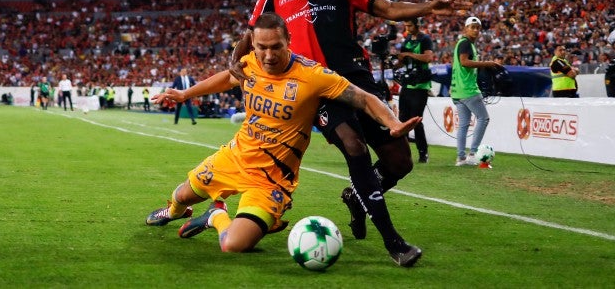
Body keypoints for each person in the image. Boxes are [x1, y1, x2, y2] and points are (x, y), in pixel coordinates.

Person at [230, 0, 469, 266]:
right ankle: (393, 242)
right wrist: (233, 61)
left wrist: (428, 7)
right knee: (354, 146)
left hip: (358, 81)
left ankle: (358, 200)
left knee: (400, 162)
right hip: (316, 87)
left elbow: (388, 8)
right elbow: (251, 33)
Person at [145, 14, 421, 258]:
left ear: (288, 40)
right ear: (253, 45)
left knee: (234, 244)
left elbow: (362, 98)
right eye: (261, 47)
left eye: (275, 47)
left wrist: (392, 123)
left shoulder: (313, 76)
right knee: (181, 195)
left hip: (271, 181)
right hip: (234, 157)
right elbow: (226, 78)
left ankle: (216, 215)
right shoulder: (249, 63)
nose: (268, 55)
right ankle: (173, 213)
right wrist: (184, 94)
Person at [451, 16, 503, 165]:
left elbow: (458, 65)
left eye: (477, 28)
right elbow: (464, 62)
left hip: (458, 91)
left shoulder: (463, 43)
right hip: (468, 90)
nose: (475, 30)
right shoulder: (466, 43)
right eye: (472, 27)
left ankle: (461, 158)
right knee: (483, 118)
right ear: (466, 28)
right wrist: (487, 63)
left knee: (464, 124)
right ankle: (473, 153)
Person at [394, 18, 435, 163]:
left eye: (409, 25)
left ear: (417, 25)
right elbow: (402, 61)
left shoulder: (425, 39)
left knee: (416, 120)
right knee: (403, 121)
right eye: (405, 26)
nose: (407, 28)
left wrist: (409, 55)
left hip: (420, 86)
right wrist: (395, 62)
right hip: (407, 85)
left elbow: (428, 57)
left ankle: (423, 153)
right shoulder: (407, 40)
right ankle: (404, 153)